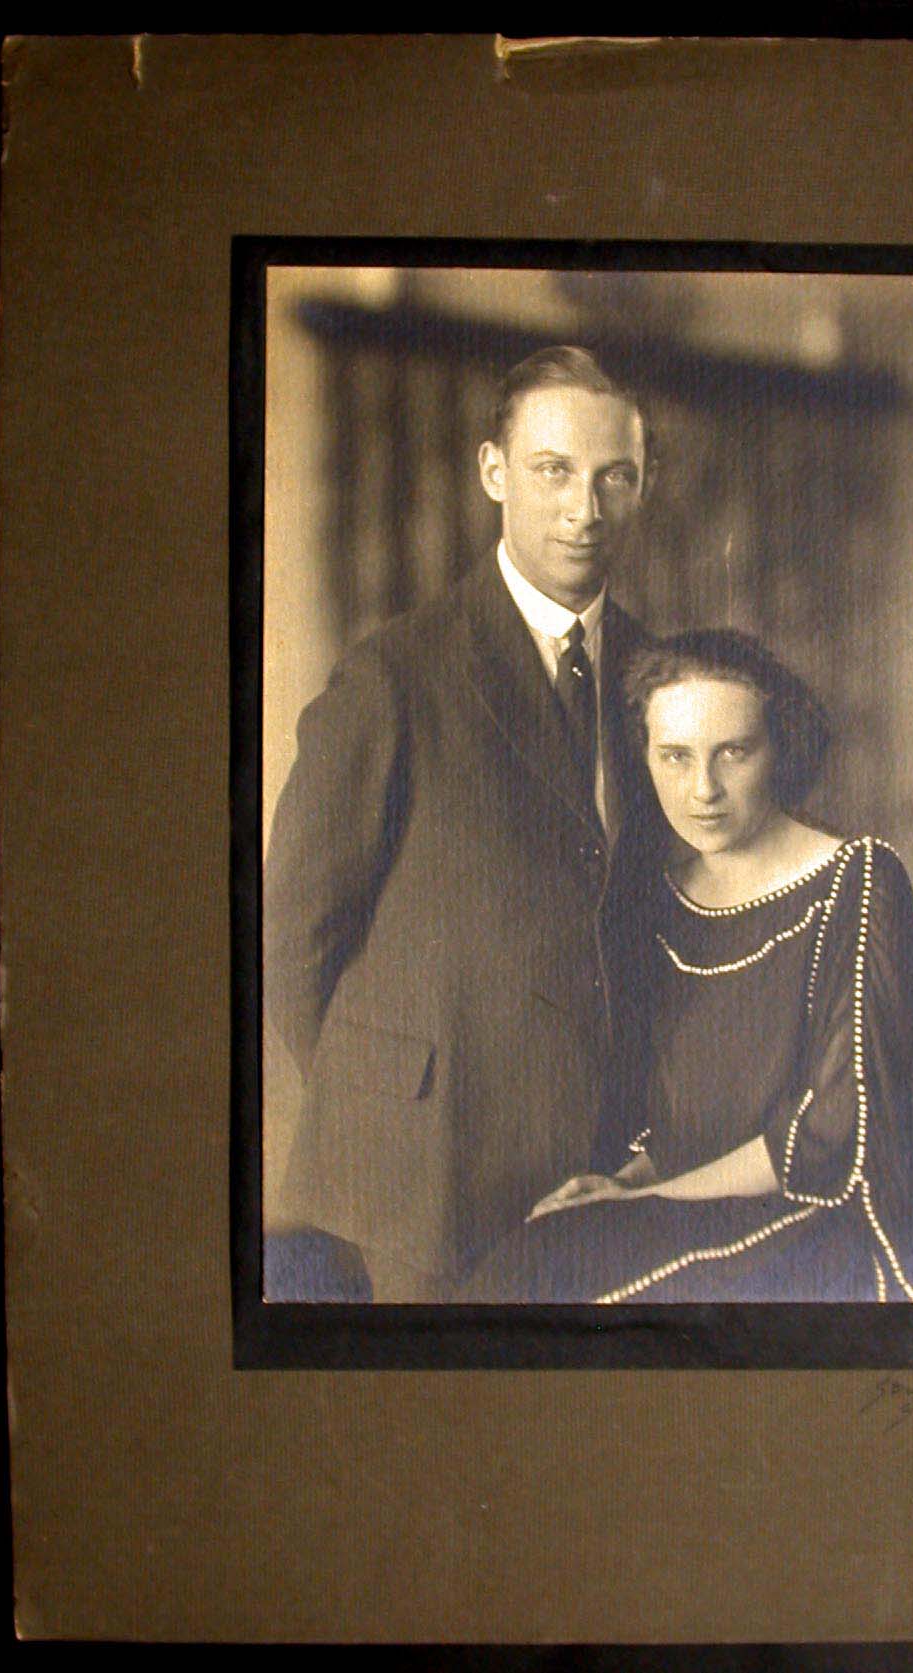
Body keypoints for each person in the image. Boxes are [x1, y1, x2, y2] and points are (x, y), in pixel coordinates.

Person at [263, 347, 665, 1302]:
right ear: (493, 471)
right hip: (423, 1179)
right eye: (552, 470)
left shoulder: (658, 673)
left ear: (642, 484)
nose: (584, 508)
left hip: (599, 1171)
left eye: (613, 476)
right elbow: (293, 933)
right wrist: (384, 1101)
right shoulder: (394, 674)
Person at [460, 629, 913, 1304]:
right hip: (693, 1205)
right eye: (674, 756)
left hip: (828, 1221)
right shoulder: (659, 900)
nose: (703, 789)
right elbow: (681, 1117)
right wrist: (625, 1183)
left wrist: (647, 1200)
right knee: (523, 1265)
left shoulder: (859, 877)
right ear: (644, 757)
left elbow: (838, 1136)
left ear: (778, 748)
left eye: (733, 752)